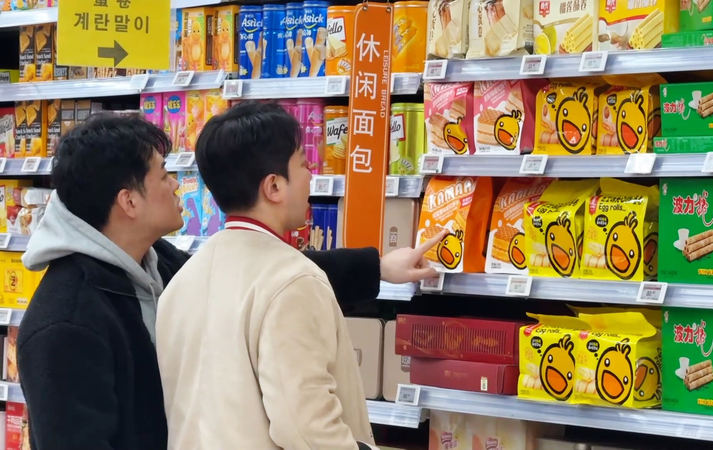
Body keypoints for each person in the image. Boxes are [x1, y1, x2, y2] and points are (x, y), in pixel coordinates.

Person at [17, 114, 439, 450]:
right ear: (129, 201)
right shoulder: (64, 322)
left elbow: (258, 277)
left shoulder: (162, 267)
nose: (176, 183)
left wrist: (378, 267)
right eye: (163, 174)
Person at [157, 102, 442, 450]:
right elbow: (306, 429)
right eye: (304, 164)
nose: (311, 174)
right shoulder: (293, 282)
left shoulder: (181, 281)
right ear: (274, 186)